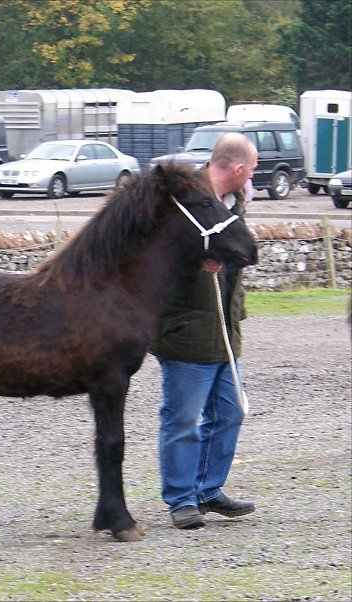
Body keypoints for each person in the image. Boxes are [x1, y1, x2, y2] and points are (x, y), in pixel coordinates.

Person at [149, 133, 258, 529]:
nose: (255, 174)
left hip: (222, 329)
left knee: (229, 412)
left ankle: (208, 490)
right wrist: (197, 262)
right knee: (182, 418)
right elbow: (152, 258)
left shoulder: (233, 203)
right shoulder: (181, 201)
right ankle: (181, 500)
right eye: (254, 167)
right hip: (185, 329)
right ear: (238, 168)